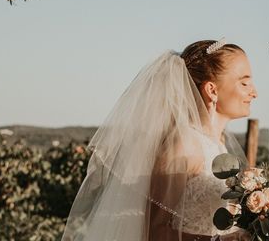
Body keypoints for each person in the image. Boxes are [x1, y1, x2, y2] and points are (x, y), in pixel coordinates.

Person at [62, 40, 257, 241]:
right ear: (212, 90)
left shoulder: (218, 144)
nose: (254, 93)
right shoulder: (185, 146)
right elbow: (154, 230)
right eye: (244, 83)